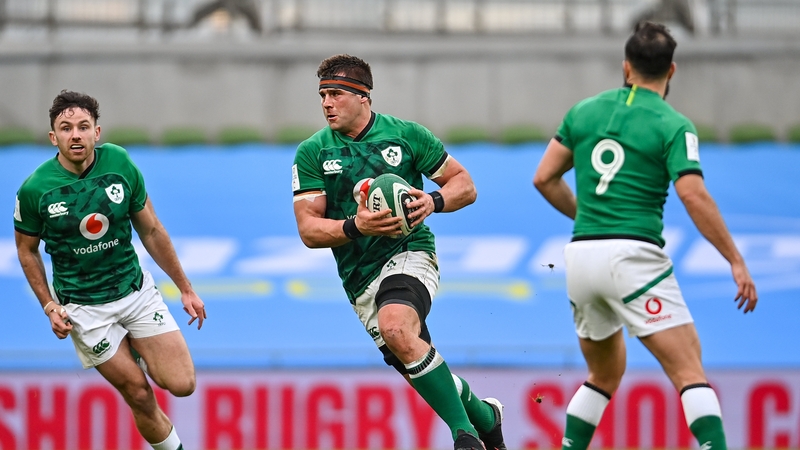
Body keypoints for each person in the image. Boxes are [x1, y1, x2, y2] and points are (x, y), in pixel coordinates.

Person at [533, 22, 757, 450]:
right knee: (689, 371)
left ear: (625, 66)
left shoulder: (584, 111)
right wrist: (734, 258)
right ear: (671, 71)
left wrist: (591, 218)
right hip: (633, 256)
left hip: (581, 257)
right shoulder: (673, 124)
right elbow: (693, 195)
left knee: (602, 376)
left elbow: (544, 177)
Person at [292, 54, 505, 450]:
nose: (326, 103)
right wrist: (357, 226)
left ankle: (466, 437)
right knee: (414, 359)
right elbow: (308, 229)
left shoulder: (407, 136)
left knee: (395, 327)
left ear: (363, 97)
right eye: (322, 95)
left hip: (410, 252)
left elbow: (465, 184)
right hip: (359, 277)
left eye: (335, 94)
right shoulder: (313, 152)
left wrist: (433, 202)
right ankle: (486, 417)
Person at [14, 90, 206, 450]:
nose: (76, 135)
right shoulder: (36, 190)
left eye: (83, 127)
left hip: (134, 293)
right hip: (85, 310)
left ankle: (134, 345)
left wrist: (185, 287)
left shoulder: (119, 163)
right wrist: (49, 306)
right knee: (138, 392)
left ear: (97, 133)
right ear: (53, 137)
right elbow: (26, 251)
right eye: (66, 128)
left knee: (182, 384)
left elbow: (151, 229)